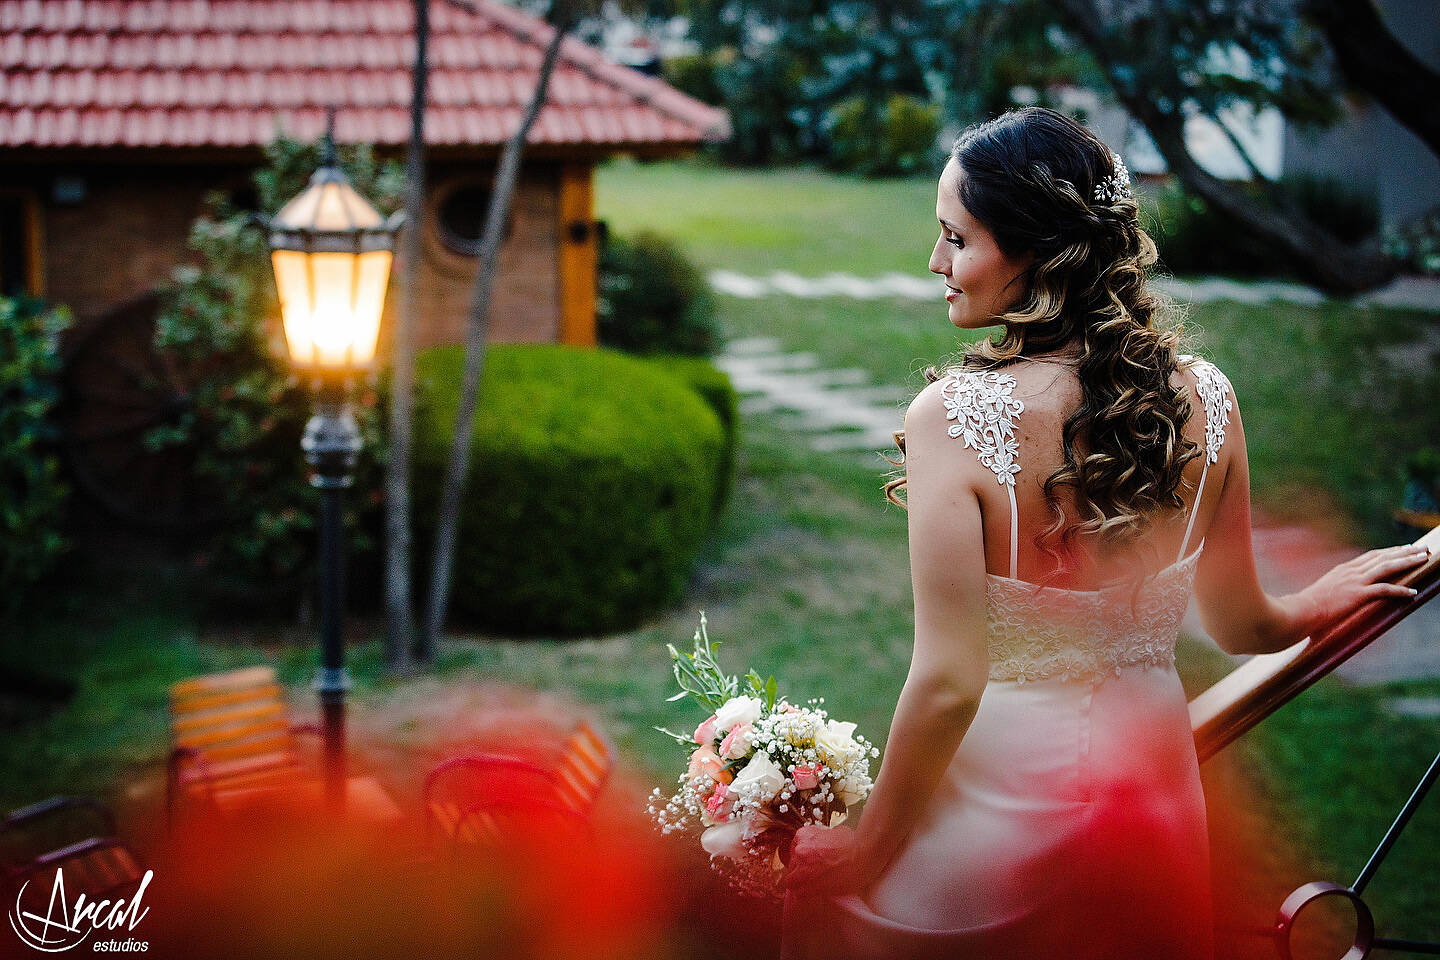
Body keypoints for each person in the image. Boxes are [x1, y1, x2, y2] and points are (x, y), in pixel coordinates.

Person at [778, 106, 1429, 960]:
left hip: (1003, 805)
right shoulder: (1210, 398)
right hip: (1151, 792)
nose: (936, 262)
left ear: (1036, 252)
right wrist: (1321, 598)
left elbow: (947, 683)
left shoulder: (953, 419)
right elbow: (1243, 625)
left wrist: (871, 845)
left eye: (957, 239)